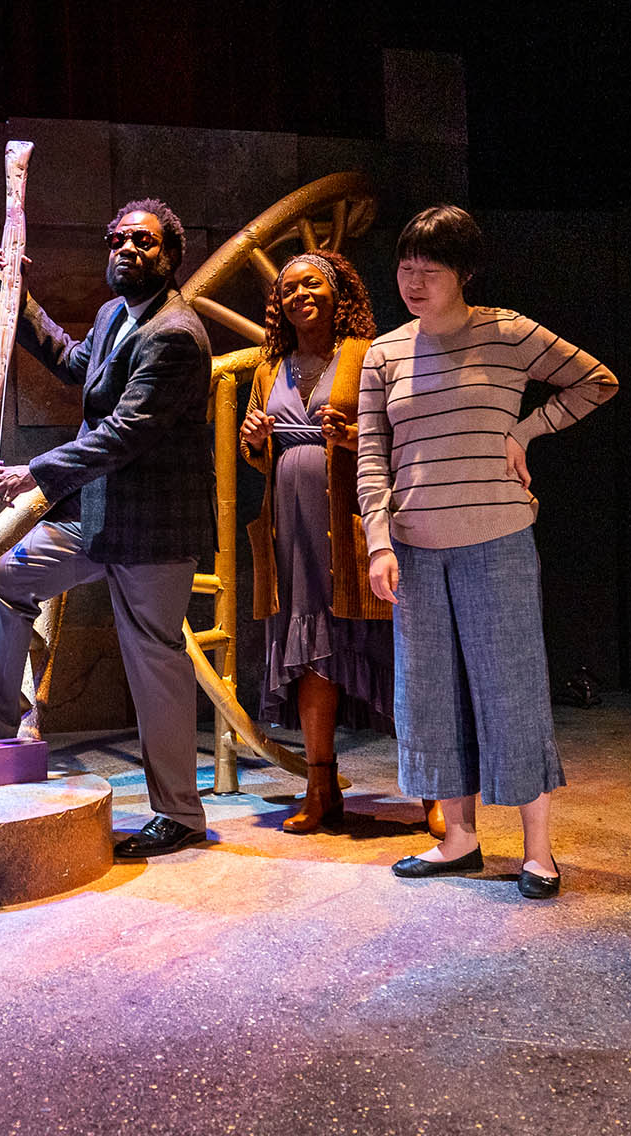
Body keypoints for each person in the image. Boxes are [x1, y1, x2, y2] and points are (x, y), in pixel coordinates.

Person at [359, 205, 617, 898]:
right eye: (405, 269)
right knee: (430, 696)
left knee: (513, 691)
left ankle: (538, 851)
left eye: (430, 271)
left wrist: (527, 430)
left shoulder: (508, 333)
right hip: (414, 548)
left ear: (464, 273)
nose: (414, 283)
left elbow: (598, 380)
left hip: (497, 540)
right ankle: (460, 839)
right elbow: (372, 457)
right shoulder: (383, 353)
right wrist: (378, 542)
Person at [0, 199, 214, 858]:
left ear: (171, 258)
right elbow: (80, 365)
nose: (128, 249)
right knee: (2, 581)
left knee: (152, 662)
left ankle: (180, 816)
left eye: (144, 241)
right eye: (118, 238)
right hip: (101, 518)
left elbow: (126, 432)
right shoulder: (115, 315)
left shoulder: (175, 333)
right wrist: (19, 300)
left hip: (155, 527)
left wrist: (37, 472)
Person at [238, 250, 393, 834]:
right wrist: (255, 441)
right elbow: (262, 454)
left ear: (339, 294)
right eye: (288, 289)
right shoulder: (269, 366)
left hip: (352, 523)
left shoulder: (366, 356)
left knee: (390, 646)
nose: (299, 295)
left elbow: (396, 436)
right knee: (309, 652)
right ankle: (321, 787)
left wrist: (350, 435)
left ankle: (436, 788)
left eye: (312, 285)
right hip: (293, 531)